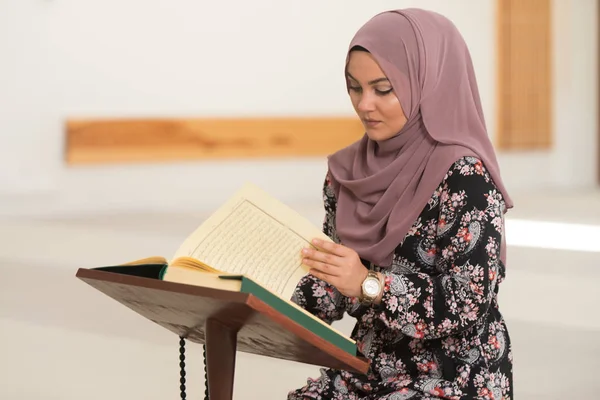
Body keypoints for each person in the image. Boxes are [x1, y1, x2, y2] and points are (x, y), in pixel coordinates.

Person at [288, 8, 514, 400]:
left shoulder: (464, 176)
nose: (364, 105)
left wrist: (368, 284)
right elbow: (334, 286)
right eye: (354, 87)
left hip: (453, 376)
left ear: (428, 83)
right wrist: (250, 291)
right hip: (366, 369)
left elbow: (468, 301)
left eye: (383, 89)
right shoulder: (347, 174)